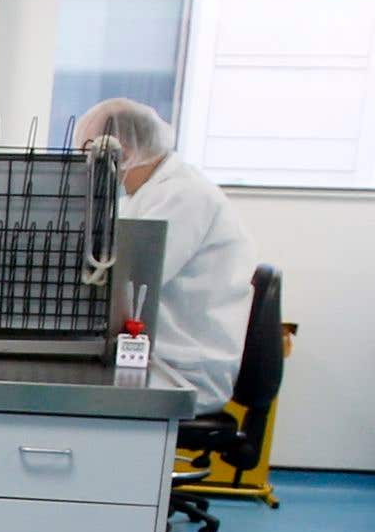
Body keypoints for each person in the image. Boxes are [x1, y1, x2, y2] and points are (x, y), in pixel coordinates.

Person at [74, 97, 256, 410]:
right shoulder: (144, 194)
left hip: (185, 369)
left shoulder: (183, 196)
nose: (87, 168)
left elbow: (128, 283)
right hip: (158, 358)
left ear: (123, 152)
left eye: (90, 155)